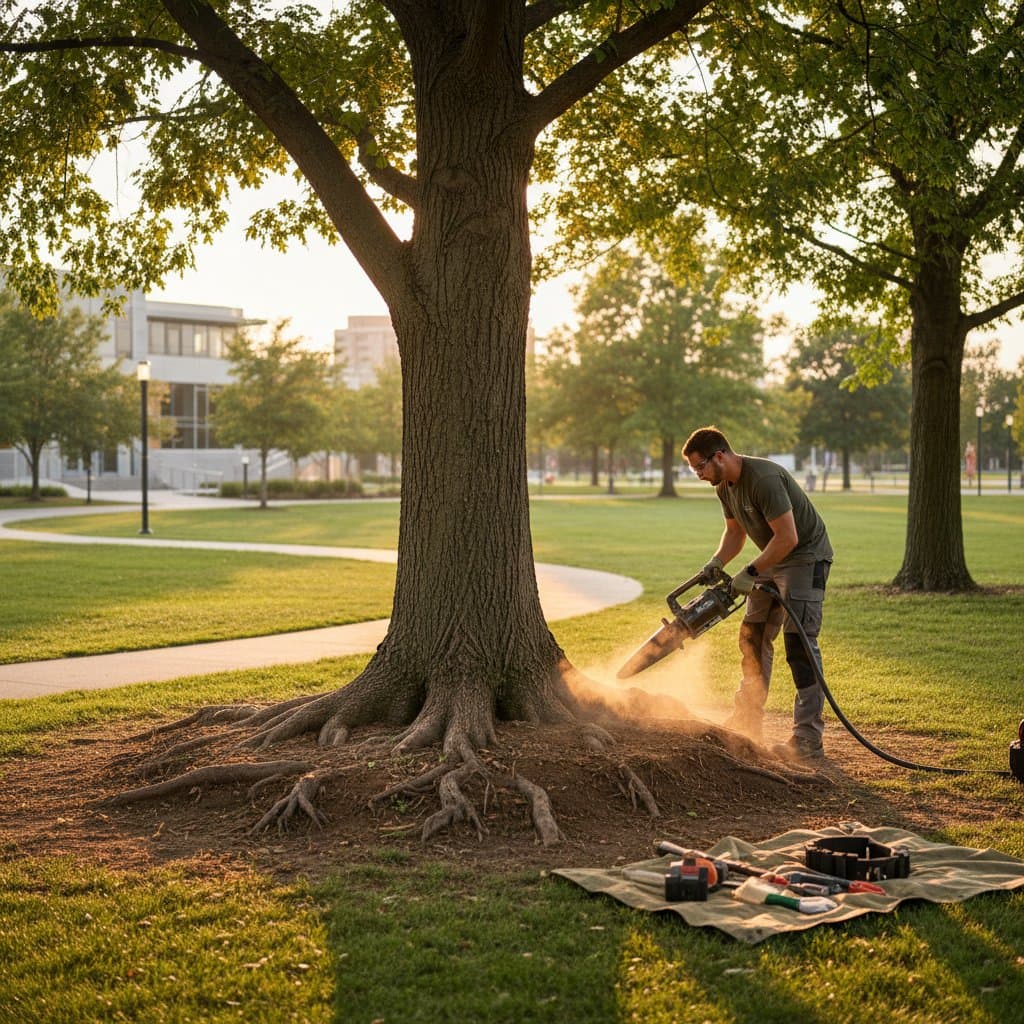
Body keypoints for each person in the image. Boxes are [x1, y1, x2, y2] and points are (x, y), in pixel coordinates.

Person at [682, 426, 834, 764]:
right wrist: (717, 562)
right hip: (772, 554)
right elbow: (734, 534)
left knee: (799, 644)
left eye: (700, 467)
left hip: (804, 556)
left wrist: (750, 573)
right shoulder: (724, 487)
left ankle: (808, 738)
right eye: (694, 469)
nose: (699, 474)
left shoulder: (763, 478)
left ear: (719, 455)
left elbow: (789, 537)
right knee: (752, 636)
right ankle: (747, 719)